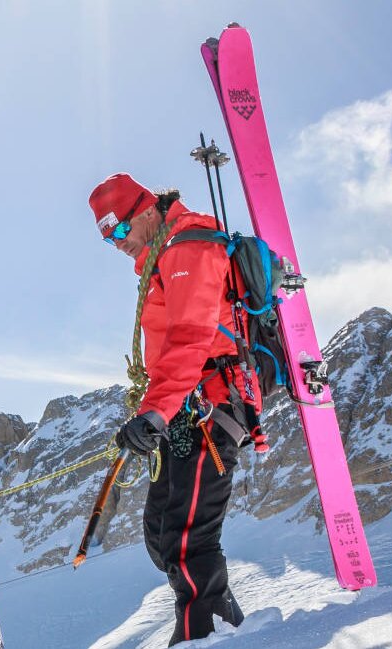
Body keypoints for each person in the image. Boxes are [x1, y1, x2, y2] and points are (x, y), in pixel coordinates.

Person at [90, 173, 259, 644]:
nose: (117, 242)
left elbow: (191, 337)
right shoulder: (161, 258)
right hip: (183, 407)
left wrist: (156, 413)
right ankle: (234, 631)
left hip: (210, 402)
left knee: (186, 539)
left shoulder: (188, 246)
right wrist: (155, 411)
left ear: (147, 210)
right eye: (107, 237)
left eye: (121, 229)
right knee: (161, 533)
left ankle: (200, 636)